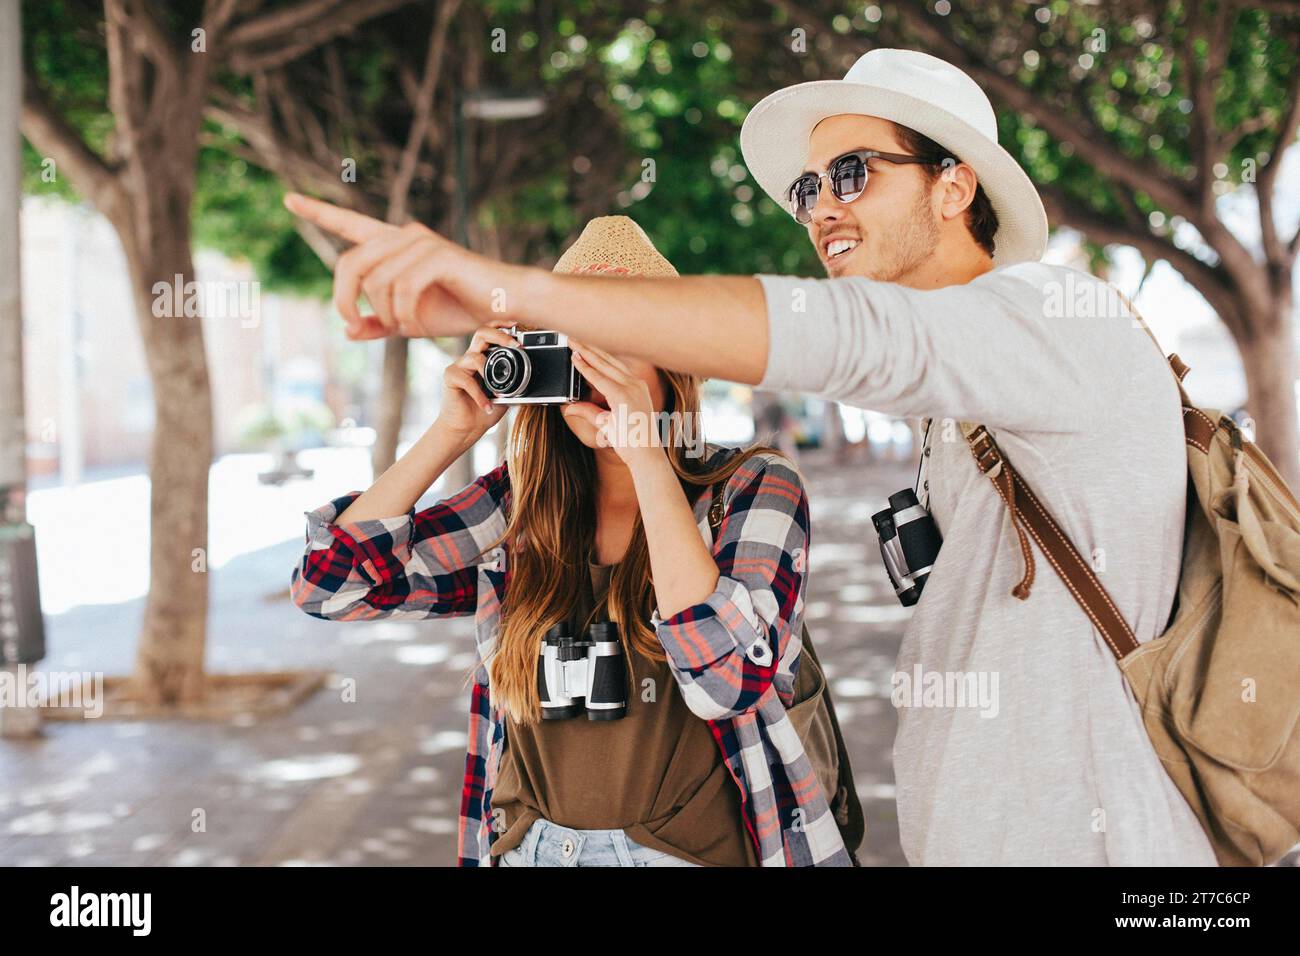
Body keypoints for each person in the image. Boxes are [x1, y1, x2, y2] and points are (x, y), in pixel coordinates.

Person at [283, 48, 1220, 866]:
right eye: (810, 188)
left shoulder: (1055, 322)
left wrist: (519, 293)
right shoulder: (956, 417)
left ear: (954, 185)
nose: (819, 210)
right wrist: (452, 430)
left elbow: (848, 344)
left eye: (851, 173)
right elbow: (330, 584)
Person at [290, 216, 855, 867]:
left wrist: (646, 456)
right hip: (533, 850)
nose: (596, 366)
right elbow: (333, 587)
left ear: (676, 361)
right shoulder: (519, 507)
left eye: (620, 341)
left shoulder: (752, 488)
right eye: (575, 345)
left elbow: (726, 682)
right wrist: (451, 432)